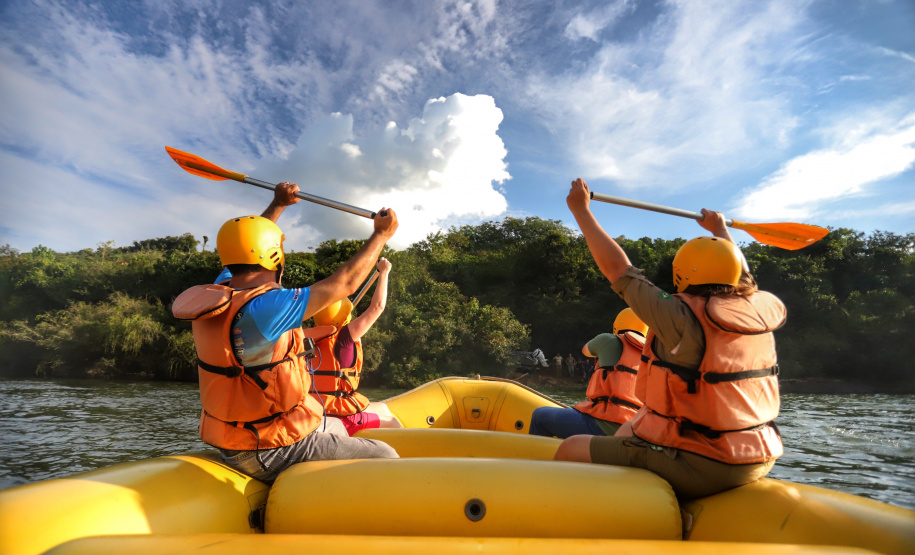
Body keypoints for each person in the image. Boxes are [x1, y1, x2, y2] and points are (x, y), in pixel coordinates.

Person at [556, 178, 785, 499]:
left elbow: (618, 269)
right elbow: (742, 274)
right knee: (629, 428)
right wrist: (720, 230)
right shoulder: (755, 310)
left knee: (570, 448)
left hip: (704, 462)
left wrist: (580, 211)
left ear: (682, 274)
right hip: (759, 456)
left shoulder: (678, 315)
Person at [171, 182, 400, 484]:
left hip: (238, 437)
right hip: (267, 448)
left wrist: (278, 205)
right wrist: (381, 234)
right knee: (387, 455)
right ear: (272, 254)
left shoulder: (221, 290)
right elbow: (344, 284)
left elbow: (247, 241)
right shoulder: (268, 307)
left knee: (332, 427)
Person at [306, 257, 403, 435]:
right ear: (345, 317)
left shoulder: (305, 339)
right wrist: (384, 273)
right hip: (339, 415)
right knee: (393, 421)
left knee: (381, 407)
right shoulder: (344, 338)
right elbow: (377, 307)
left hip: (311, 409)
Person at [528, 309, 648, 439]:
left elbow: (586, 350)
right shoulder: (652, 356)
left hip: (605, 424)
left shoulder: (609, 340)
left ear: (618, 324)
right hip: (634, 430)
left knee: (539, 416)